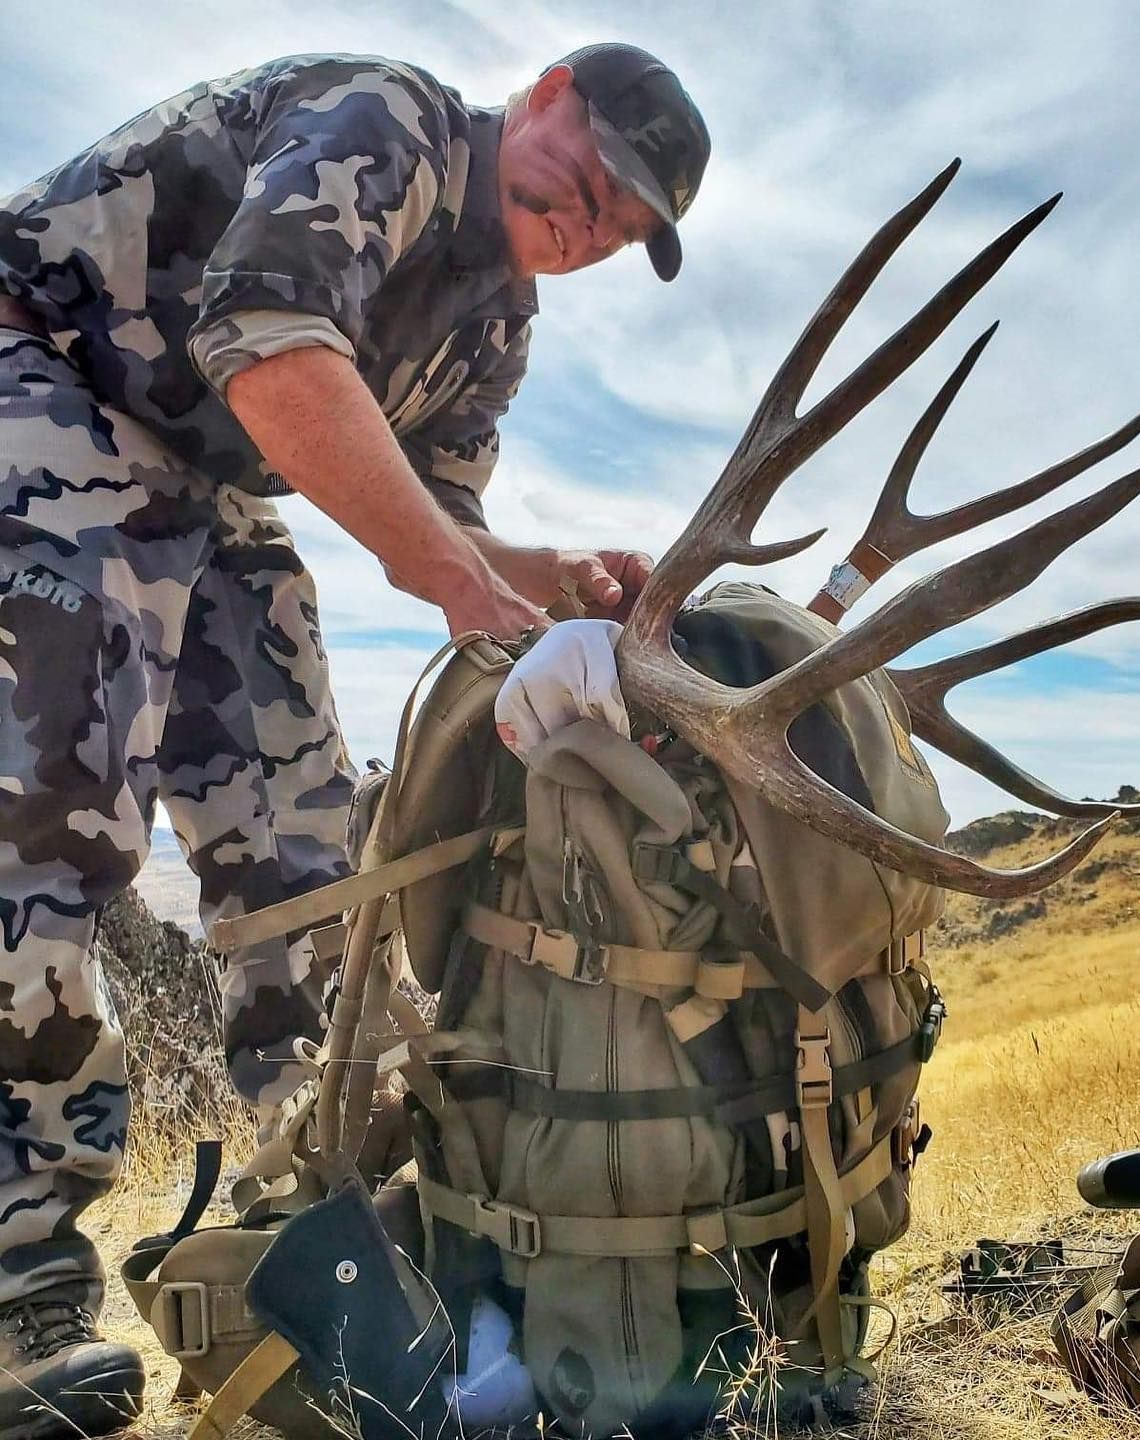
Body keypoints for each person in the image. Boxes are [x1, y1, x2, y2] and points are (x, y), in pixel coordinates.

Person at [0, 42, 708, 1438]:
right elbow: (269, 346)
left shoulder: (497, 323)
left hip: (208, 479)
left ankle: (315, 1223)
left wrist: (550, 573)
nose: (584, 231)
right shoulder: (387, 124)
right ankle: (19, 1300)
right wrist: (463, 578)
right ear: (546, 88)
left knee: (311, 838)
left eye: (618, 232)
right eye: (590, 184)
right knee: (54, 815)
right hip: (50, 375)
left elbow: (440, 528)